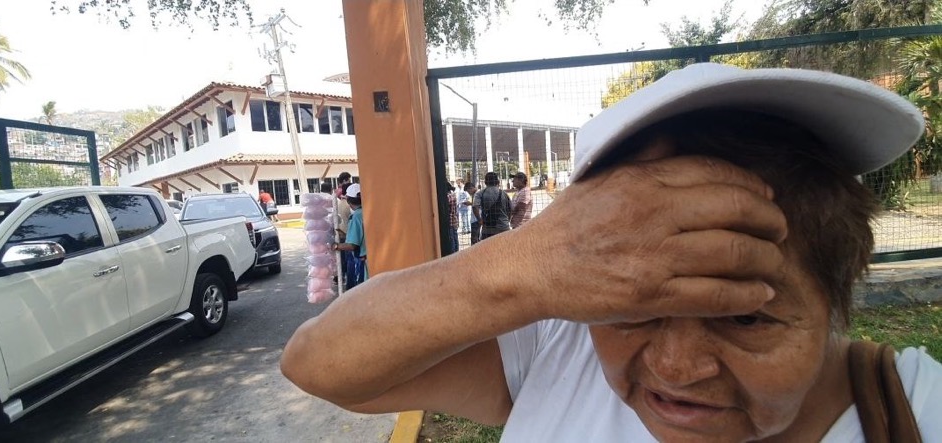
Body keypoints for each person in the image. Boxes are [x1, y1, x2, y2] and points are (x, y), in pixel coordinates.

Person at [280, 64, 942, 442]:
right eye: (633, 299)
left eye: (746, 315)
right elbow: (319, 364)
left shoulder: (915, 410)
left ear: (838, 293)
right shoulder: (559, 345)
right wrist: (526, 261)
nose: (676, 367)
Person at [333, 183, 367, 287]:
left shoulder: (356, 216)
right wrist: (344, 234)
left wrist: (335, 246)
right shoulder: (366, 212)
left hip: (362, 261)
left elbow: (352, 245)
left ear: (348, 201)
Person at [473, 171, 511, 240]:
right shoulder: (504, 193)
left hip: (488, 228)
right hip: (503, 227)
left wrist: (479, 220)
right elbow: (510, 209)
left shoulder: (480, 193)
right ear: (497, 181)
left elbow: (475, 207)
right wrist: (507, 220)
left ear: (485, 182)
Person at [336, 182, 355, 287]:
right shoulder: (350, 207)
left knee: (346, 261)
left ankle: (346, 280)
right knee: (351, 262)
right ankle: (351, 285)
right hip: (349, 235)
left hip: (343, 233)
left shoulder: (339, 203)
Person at [447, 183, 460, 253]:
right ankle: (456, 251)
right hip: (455, 218)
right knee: (455, 237)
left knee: (451, 238)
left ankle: (453, 253)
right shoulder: (453, 195)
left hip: (449, 219)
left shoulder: (448, 197)